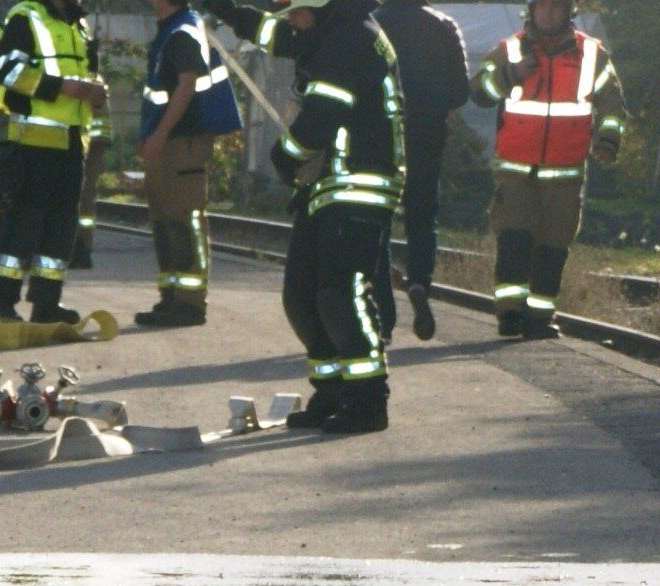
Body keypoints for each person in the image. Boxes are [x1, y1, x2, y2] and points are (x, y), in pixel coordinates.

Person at [235, 0, 402, 434]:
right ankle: (332, 391)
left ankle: (367, 400)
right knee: (302, 295)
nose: (291, 19)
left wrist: (284, 155)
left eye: (296, 10)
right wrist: (218, 7)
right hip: (328, 183)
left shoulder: (350, 39)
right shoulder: (325, 32)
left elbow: (323, 114)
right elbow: (270, 33)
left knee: (339, 293)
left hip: (359, 181)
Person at [474, 0, 622, 339]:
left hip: (565, 175)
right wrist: (510, 75)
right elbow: (478, 92)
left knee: (553, 247)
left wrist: (607, 141)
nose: (549, 13)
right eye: (543, 7)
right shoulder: (509, 50)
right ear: (532, 11)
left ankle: (540, 318)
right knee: (513, 238)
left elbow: (612, 104)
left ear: (568, 12)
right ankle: (510, 314)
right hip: (515, 171)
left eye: (556, 7)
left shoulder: (591, 54)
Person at [0, 0, 104, 323]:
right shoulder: (25, 17)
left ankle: (46, 303)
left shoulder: (78, 24)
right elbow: (9, 72)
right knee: (22, 224)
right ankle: (4, 304)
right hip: (31, 142)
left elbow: (84, 75)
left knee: (62, 227)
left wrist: (95, 91)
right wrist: (62, 87)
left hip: (72, 142)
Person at [131, 0, 239, 329]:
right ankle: (171, 299)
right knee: (165, 222)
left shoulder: (182, 32)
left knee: (184, 222)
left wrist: (160, 133)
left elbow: (187, 82)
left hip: (182, 142)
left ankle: (190, 304)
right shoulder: (173, 29)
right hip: (170, 143)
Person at [377, 0, 466, 339]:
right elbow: (460, 93)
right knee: (423, 216)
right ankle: (418, 282)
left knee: (379, 219)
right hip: (427, 136)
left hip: (382, 135)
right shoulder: (444, 26)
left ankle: (383, 314)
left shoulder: (372, 23)